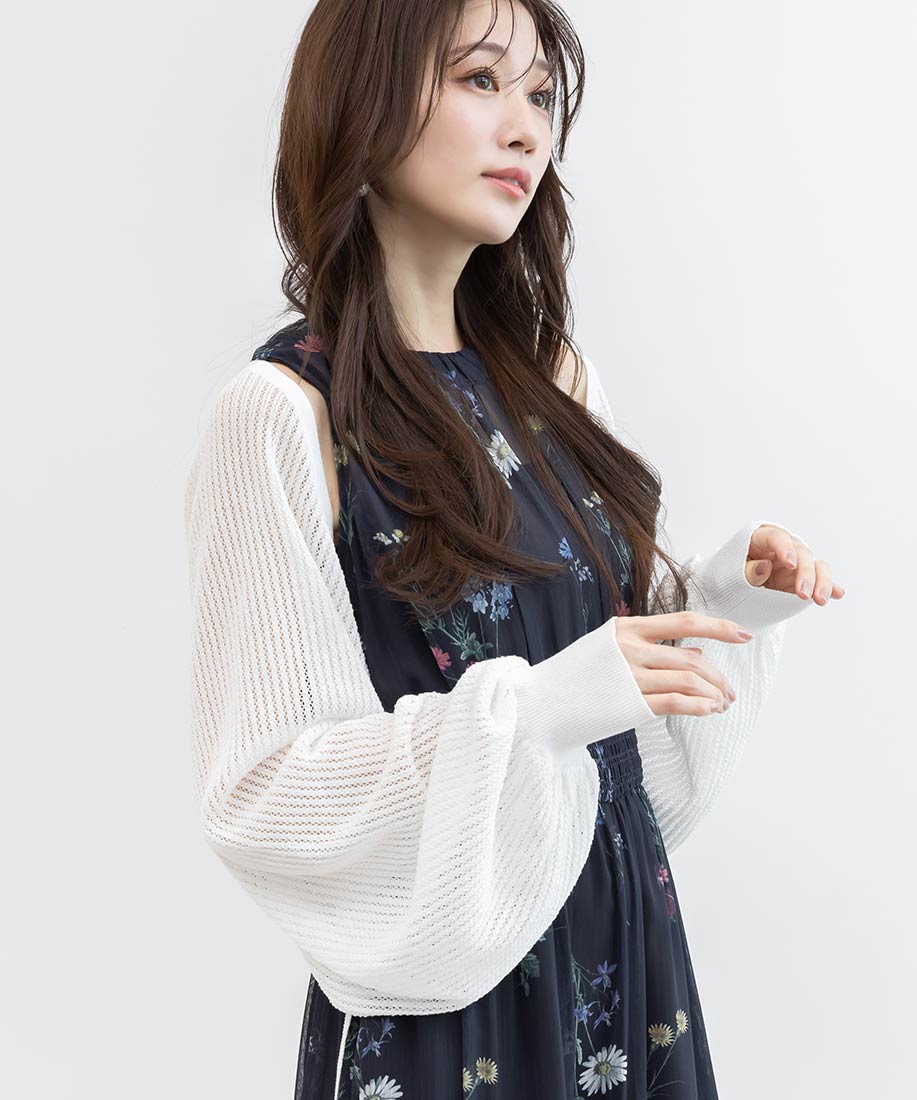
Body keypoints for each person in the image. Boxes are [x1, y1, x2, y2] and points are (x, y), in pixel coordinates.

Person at [183, 1, 844, 1096]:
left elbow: (620, 750)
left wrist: (729, 599)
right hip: (448, 1016)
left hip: (625, 967)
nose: (526, 128)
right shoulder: (283, 413)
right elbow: (261, 787)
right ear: (363, 95)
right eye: (480, 80)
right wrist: (530, 712)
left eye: (540, 95)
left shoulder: (554, 383)